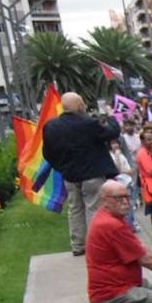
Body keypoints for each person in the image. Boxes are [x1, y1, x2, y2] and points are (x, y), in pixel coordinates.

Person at [42, 91, 120, 255]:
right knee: (94, 208)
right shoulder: (88, 123)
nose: (84, 106)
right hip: (92, 174)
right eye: (82, 103)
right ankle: (96, 245)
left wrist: (61, 167)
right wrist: (112, 117)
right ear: (78, 106)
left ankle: (78, 246)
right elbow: (112, 133)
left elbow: (48, 153)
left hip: (70, 175)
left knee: (74, 209)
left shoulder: (51, 126)